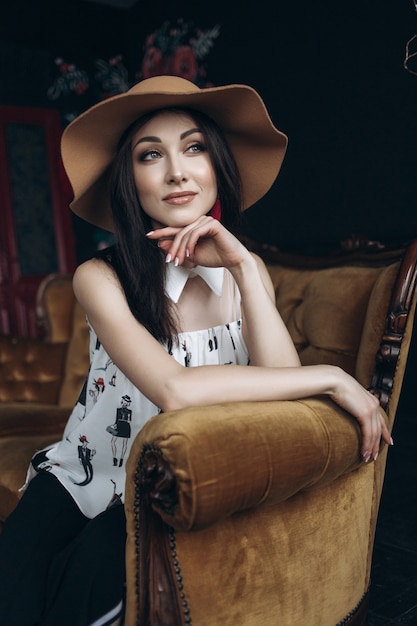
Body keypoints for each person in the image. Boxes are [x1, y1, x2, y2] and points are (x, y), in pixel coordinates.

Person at [0, 75, 392, 626]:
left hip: (163, 481)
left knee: (84, 594)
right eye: (149, 155)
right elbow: (175, 390)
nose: (176, 171)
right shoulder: (99, 275)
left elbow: (285, 397)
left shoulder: (246, 270)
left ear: (217, 165)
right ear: (129, 179)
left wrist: (244, 270)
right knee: (13, 585)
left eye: (193, 147)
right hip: (82, 473)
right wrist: (332, 376)